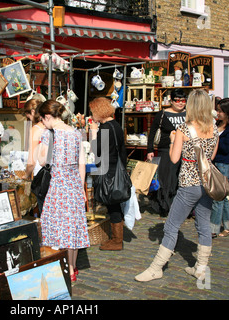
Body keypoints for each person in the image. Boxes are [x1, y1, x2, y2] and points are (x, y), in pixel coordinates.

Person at [135, 89, 219, 282]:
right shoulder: (213, 128)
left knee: (172, 225)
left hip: (189, 182)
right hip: (206, 183)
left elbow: (174, 159)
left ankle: (157, 267)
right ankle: (201, 267)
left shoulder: (184, 128)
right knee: (203, 225)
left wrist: (173, 140)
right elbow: (211, 157)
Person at [37, 100, 89, 282]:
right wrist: (81, 187)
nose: (43, 123)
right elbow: (81, 163)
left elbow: (42, 161)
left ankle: (62, 269)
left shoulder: (49, 134)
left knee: (56, 227)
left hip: (58, 185)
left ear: (48, 116)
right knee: (72, 228)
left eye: (43, 119)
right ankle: (73, 268)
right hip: (74, 184)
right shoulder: (76, 133)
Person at [89, 97, 129, 251]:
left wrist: (93, 133)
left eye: (93, 112)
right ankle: (116, 238)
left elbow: (97, 151)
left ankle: (117, 241)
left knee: (112, 204)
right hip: (115, 168)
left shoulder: (105, 128)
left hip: (109, 171)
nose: (92, 115)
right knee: (114, 204)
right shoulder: (116, 125)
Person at [147, 88, 187, 216]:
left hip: (184, 151)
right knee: (166, 178)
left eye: (183, 100)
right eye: (177, 100)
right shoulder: (162, 114)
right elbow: (152, 132)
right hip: (165, 149)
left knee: (179, 179)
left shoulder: (189, 114)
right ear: (171, 101)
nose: (180, 103)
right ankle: (165, 205)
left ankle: (180, 207)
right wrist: (150, 149)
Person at [210, 98, 229, 238]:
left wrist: (214, 141)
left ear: (228, 112)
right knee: (222, 197)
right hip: (215, 163)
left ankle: (213, 229)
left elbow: (227, 148)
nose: (218, 113)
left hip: (224, 165)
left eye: (221, 111)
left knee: (217, 198)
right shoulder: (217, 123)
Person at [22, 98, 46, 213]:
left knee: (44, 212)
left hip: (42, 176)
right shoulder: (51, 126)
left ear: (32, 112)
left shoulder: (36, 129)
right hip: (56, 175)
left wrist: (26, 175)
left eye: (28, 115)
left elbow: (32, 160)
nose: (28, 118)